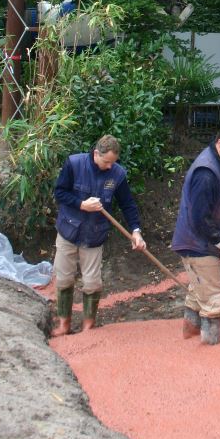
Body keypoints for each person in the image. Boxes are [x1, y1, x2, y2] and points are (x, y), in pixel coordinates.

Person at [51, 134, 146, 336]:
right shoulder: (74, 164)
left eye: (113, 162)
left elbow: (128, 204)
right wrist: (81, 204)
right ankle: (64, 325)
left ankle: (88, 327)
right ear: (96, 154)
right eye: (106, 162)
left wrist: (136, 231)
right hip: (68, 231)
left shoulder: (117, 174)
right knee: (64, 279)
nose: (110, 166)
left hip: (94, 236)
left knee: (92, 283)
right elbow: (59, 192)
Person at [171, 121, 220, 345]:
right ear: (219, 142)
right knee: (215, 296)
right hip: (196, 242)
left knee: (198, 290)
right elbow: (199, 219)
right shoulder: (205, 173)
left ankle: (190, 331)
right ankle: (209, 344)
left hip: (200, 240)